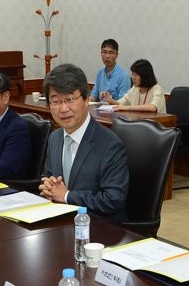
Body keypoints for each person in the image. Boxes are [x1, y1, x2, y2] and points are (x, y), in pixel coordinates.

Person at [39, 64, 129, 222]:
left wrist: (67, 196)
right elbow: (47, 176)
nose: (63, 108)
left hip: (101, 228)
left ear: (87, 99)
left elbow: (113, 199)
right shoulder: (55, 138)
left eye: (70, 100)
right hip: (61, 223)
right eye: (56, 101)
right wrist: (47, 186)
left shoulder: (110, 145)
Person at [100, 59, 166, 114]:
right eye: (132, 74)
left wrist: (128, 108)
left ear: (145, 76)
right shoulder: (135, 88)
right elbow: (120, 103)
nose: (133, 78)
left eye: (136, 75)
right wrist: (109, 100)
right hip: (138, 122)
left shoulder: (157, 89)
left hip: (156, 124)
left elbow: (153, 107)